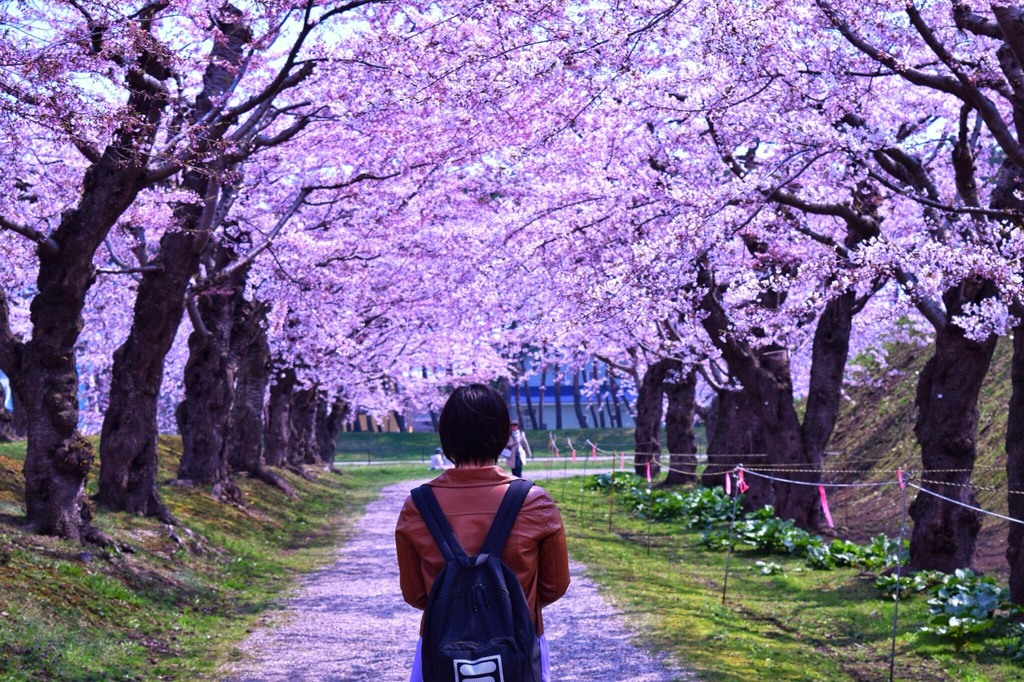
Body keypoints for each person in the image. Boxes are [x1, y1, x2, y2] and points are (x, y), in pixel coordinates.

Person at [395, 384, 570, 682]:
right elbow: (554, 586)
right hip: (519, 641)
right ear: (502, 434)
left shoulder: (417, 506)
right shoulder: (534, 501)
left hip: (442, 645)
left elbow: (416, 594)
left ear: (446, 435)